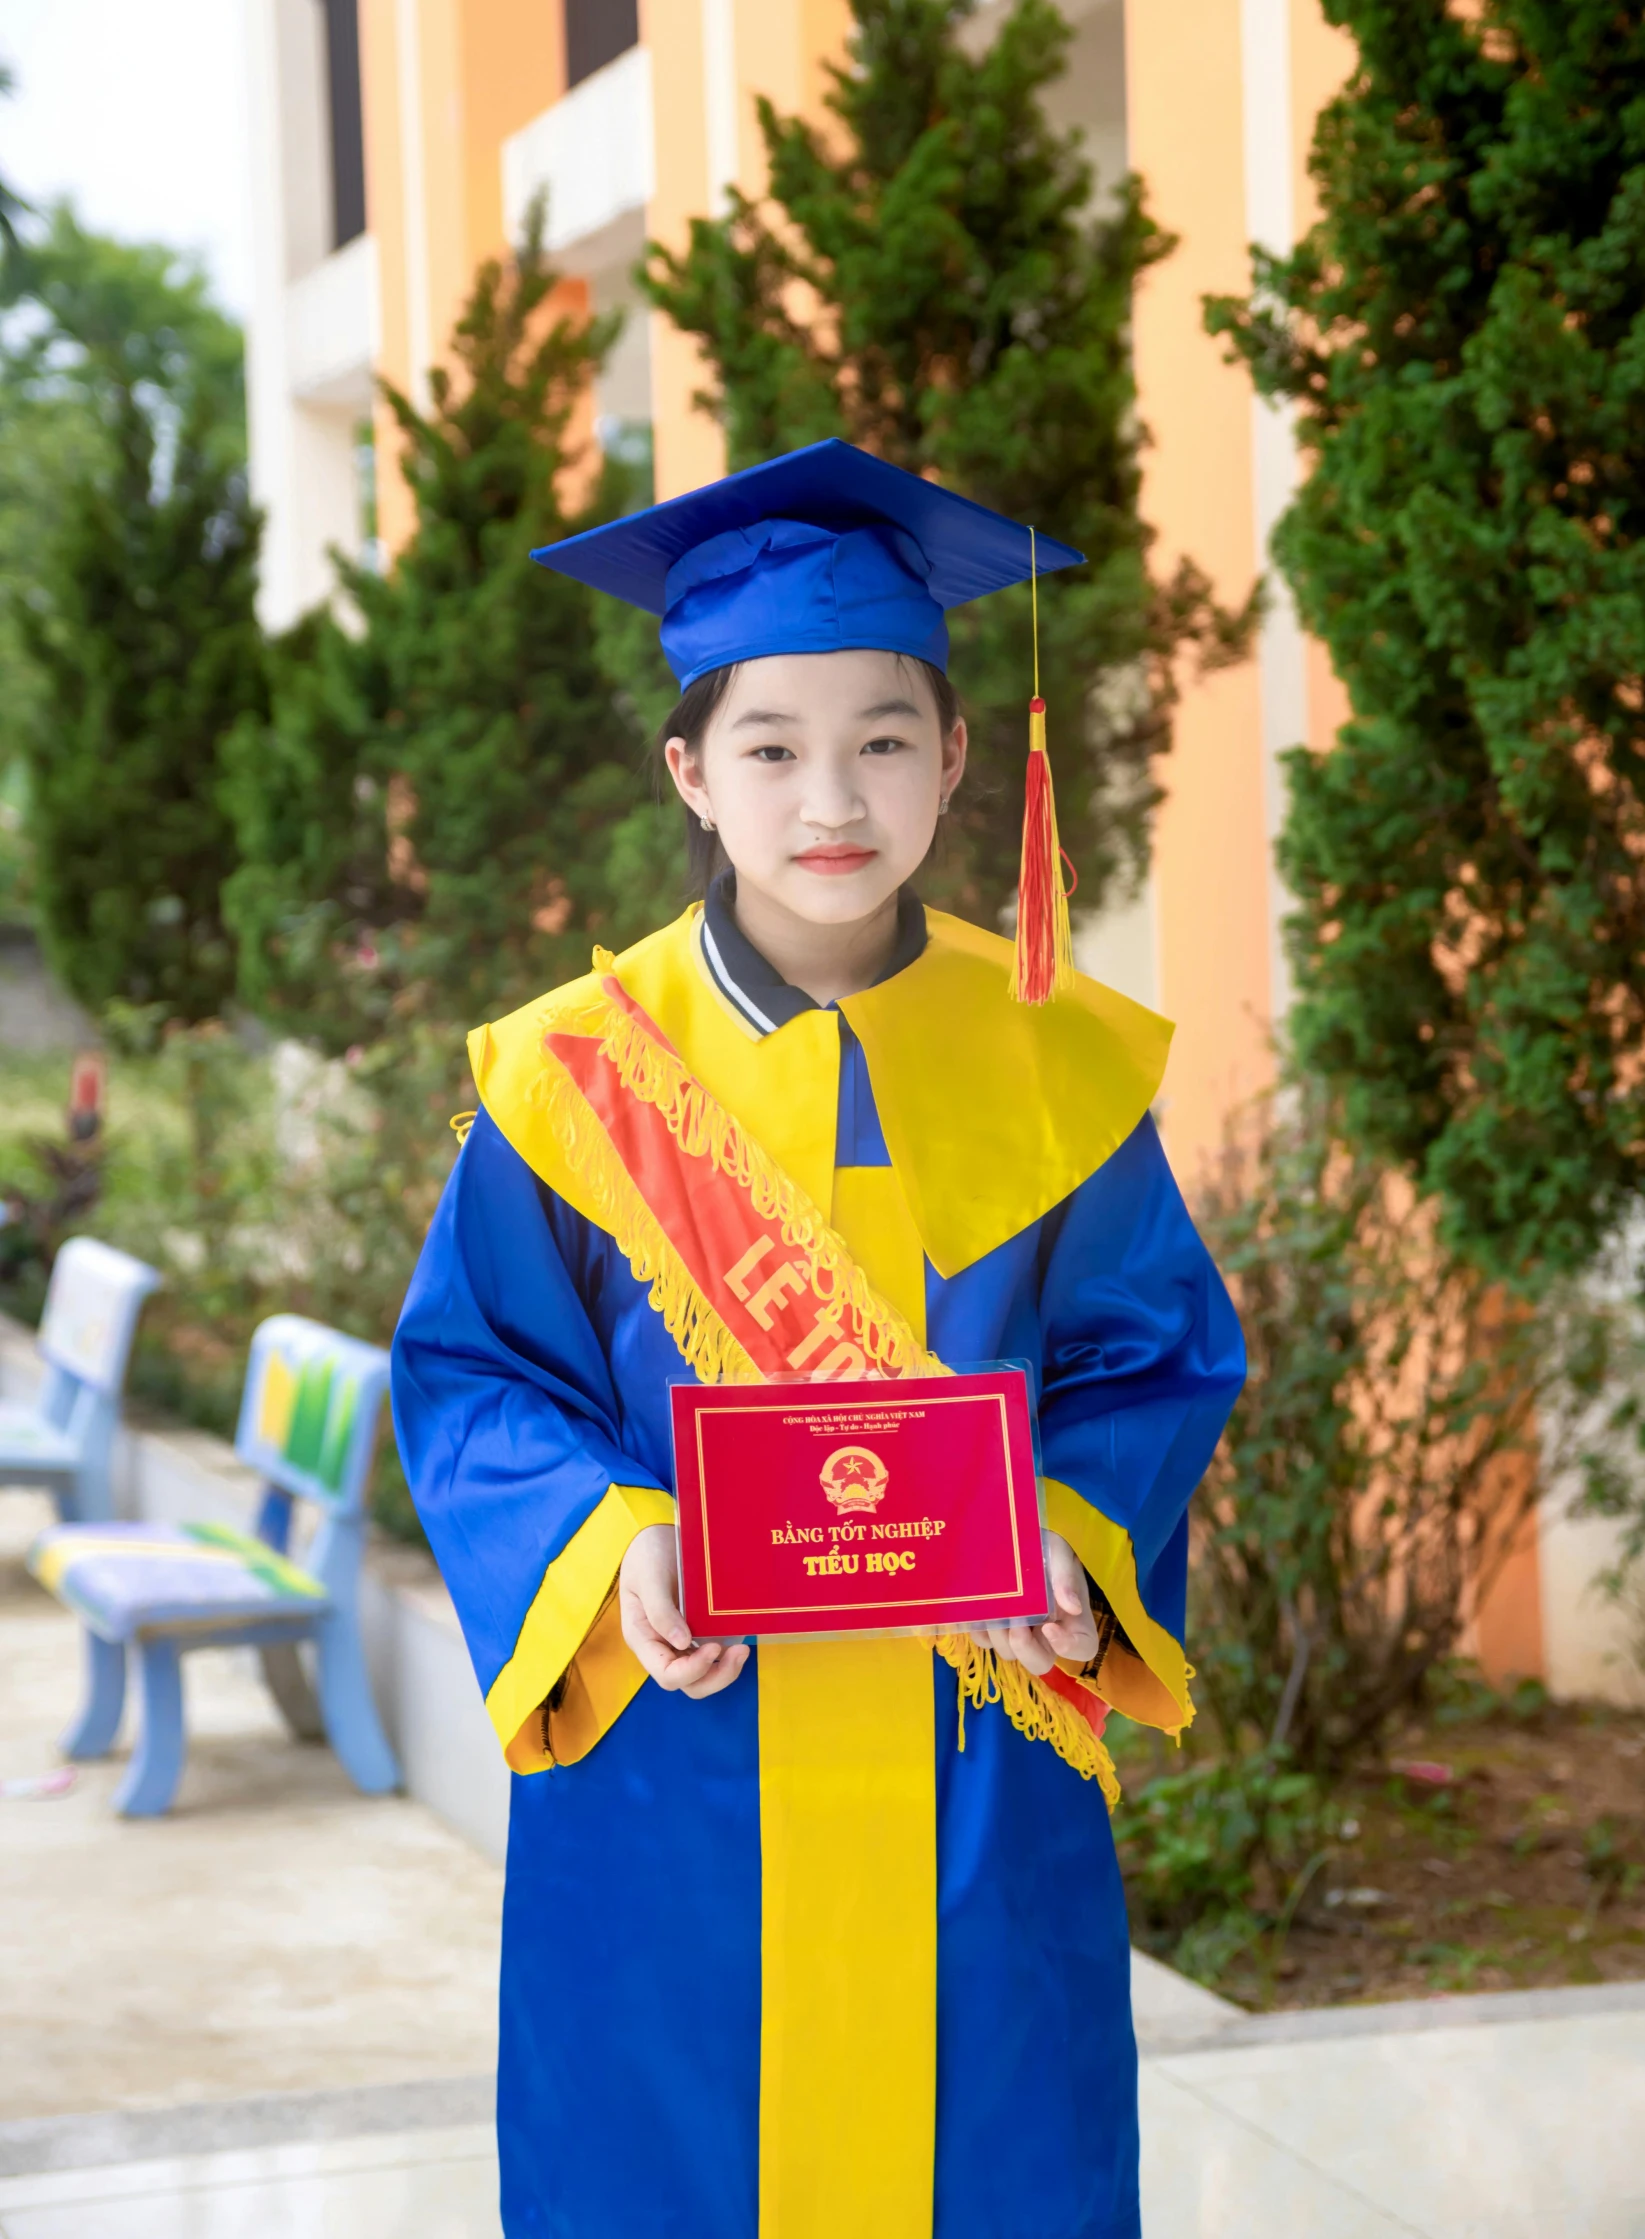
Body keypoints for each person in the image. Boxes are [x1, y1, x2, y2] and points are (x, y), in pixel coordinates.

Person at [391, 439, 1245, 2239]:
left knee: (996, 2157)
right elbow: (476, 1377)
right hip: (677, 1770)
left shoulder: (1061, 1064)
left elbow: (1146, 1357)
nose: (829, 794)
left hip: (973, 1764)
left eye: (880, 737)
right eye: (771, 746)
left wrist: (1075, 1553)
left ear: (956, 758)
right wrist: (616, 1558)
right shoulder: (570, 1080)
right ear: (692, 774)